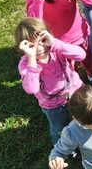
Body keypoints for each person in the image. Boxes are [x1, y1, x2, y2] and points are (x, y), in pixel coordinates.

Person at [15, 18, 84, 146]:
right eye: (32, 46)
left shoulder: (56, 48)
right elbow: (31, 89)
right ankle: (63, 149)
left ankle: (85, 138)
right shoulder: (25, 64)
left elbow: (81, 55)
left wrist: (55, 43)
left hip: (76, 93)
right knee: (59, 129)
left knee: (83, 119)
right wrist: (31, 59)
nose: (40, 48)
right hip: (53, 106)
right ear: (24, 48)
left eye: (42, 41)